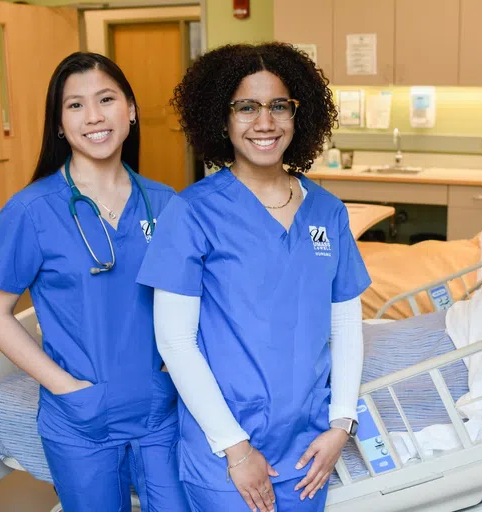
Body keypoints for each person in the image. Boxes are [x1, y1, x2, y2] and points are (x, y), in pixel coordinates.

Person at [136, 42, 371, 512]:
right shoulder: (193, 212)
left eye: (278, 105)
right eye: (246, 107)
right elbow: (176, 342)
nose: (265, 122)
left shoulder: (328, 211)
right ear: (221, 118)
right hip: (226, 451)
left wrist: (341, 424)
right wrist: (235, 448)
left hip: (309, 447)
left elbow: (344, 323)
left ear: (297, 115)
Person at [0, 52, 189, 511]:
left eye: (106, 99)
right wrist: (65, 388)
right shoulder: (32, 211)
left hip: (159, 412)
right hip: (79, 418)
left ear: (130, 110)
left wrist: (173, 374)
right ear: (58, 124)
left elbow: (194, 301)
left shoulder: (167, 204)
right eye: (75, 105)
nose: (93, 116)